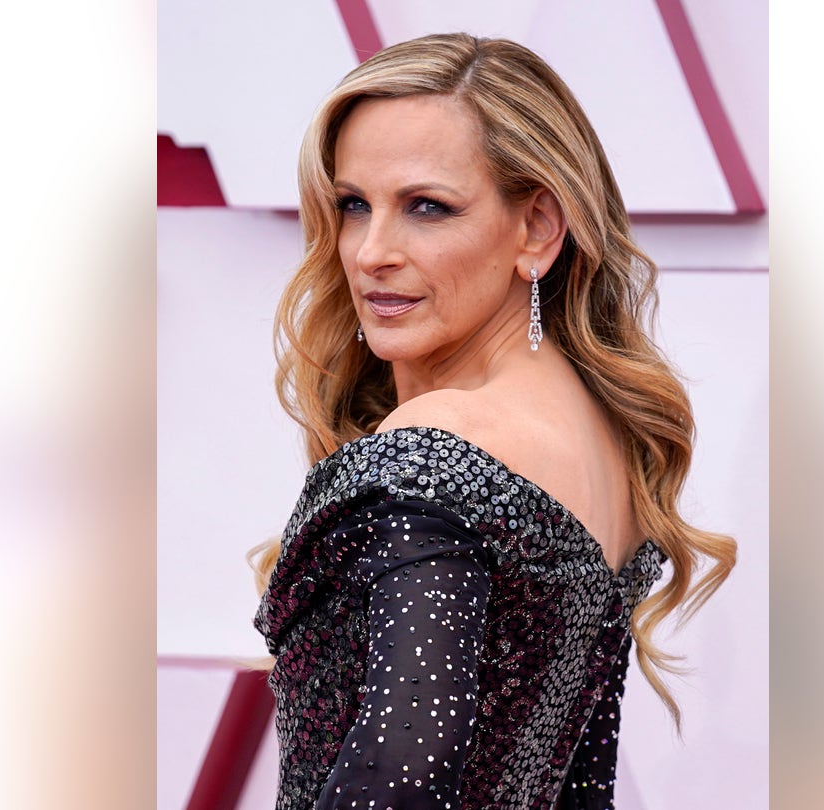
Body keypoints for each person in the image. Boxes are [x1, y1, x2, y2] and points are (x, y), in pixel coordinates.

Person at [250, 33, 736, 809]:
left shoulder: (435, 444)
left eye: (427, 208)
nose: (371, 251)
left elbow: (400, 784)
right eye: (353, 205)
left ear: (537, 227)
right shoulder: (601, 438)